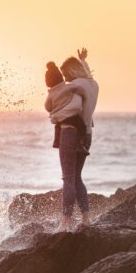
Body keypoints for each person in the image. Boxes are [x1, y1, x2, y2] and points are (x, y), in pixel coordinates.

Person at [44, 47, 99, 231]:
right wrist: (83, 60)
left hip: (71, 133)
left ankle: (65, 221)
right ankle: (86, 218)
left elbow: (69, 108)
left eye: (66, 74)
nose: (65, 79)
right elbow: (88, 77)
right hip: (87, 134)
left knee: (67, 178)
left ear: (71, 72)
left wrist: (55, 115)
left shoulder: (75, 88)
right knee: (77, 177)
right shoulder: (92, 84)